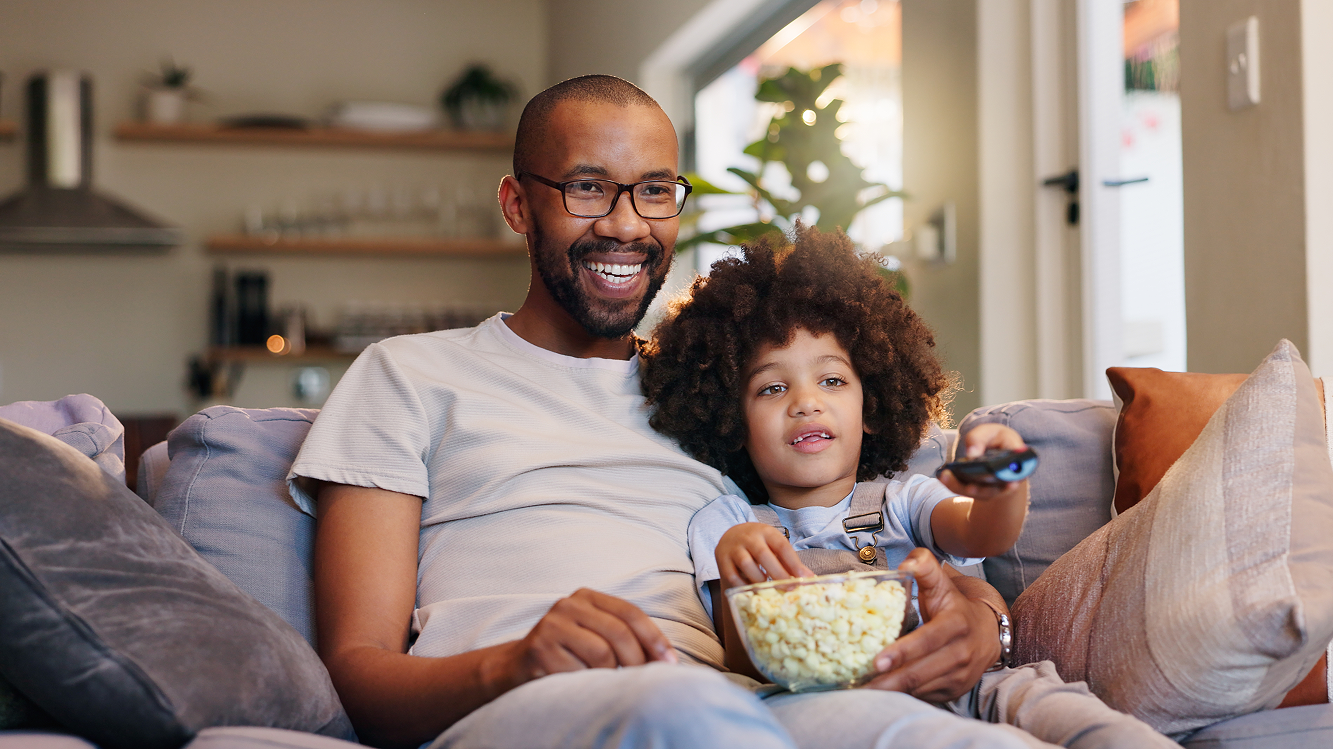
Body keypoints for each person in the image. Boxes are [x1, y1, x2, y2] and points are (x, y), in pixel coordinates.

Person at [290, 74, 1049, 749]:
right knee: (678, 706)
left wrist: (984, 620)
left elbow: (879, 518)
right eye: (587, 187)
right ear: (518, 205)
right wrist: (513, 661)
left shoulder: (719, 389)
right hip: (526, 706)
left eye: (653, 190)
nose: (626, 225)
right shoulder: (409, 374)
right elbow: (358, 676)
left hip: (743, 701)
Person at [639, 229, 1178, 749]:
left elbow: (979, 533)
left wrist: (1001, 486)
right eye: (773, 387)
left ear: (870, 409)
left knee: (1096, 728)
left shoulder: (902, 498)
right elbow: (743, 664)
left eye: (831, 380)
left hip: (977, 684)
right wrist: (738, 577)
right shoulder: (727, 524)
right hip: (839, 706)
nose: (805, 401)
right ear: (732, 422)